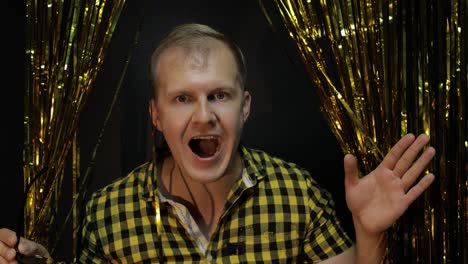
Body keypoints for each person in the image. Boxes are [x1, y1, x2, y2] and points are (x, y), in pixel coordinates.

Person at [0, 23, 436, 263]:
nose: (204, 115)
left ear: (244, 108)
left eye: (219, 95)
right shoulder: (109, 212)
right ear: (156, 116)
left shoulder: (297, 193)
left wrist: (369, 232)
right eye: (182, 98)